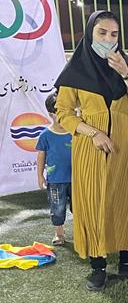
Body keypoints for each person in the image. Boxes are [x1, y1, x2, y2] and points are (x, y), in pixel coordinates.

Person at [55, 11, 128, 291]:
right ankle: (98, 266)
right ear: (89, 34)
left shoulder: (126, 66)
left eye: (114, 34)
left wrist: (125, 72)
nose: (108, 39)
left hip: (125, 144)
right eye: (102, 33)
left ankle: (127, 261)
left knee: (125, 199)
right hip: (91, 147)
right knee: (94, 202)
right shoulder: (75, 71)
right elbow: (63, 113)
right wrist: (93, 132)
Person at [35, 92, 73, 246]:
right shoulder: (46, 135)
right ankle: (59, 233)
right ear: (51, 114)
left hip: (77, 179)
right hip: (56, 180)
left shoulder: (76, 132)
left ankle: (83, 233)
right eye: (60, 112)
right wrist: (40, 176)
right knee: (57, 208)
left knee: (80, 207)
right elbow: (41, 156)